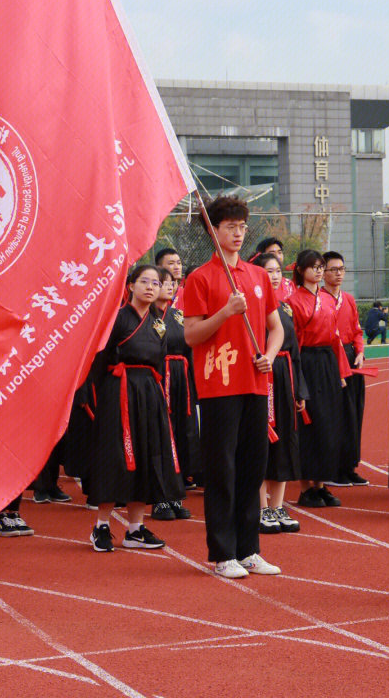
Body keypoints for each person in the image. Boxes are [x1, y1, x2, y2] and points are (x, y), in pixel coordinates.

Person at [183, 196, 283, 578]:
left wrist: (270, 357)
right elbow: (191, 335)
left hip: (255, 383)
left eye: (242, 226)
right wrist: (225, 312)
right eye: (230, 227)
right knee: (222, 469)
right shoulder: (201, 278)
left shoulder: (258, 277)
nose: (238, 233)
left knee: (252, 467)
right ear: (214, 231)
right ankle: (222, 552)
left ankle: (249, 549)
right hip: (219, 385)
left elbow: (276, 329)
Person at [84, 264, 181, 552]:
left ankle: (135, 529)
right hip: (120, 391)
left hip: (149, 393)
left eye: (156, 282)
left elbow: (160, 363)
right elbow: (98, 362)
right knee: (114, 457)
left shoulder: (158, 323)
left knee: (146, 454)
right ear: (130, 286)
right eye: (144, 281)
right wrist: (100, 398)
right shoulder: (117, 318)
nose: (151, 287)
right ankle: (101, 525)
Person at [288, 249, 351, 508]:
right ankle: (306, 488)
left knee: (328, 423)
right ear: (301, 270)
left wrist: (342, 372)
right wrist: (296, 377)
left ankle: (321, 485)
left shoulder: (326, 300)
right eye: (313, 266)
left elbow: (336, 337)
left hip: (327, 362)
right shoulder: (294, 301)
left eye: (320, 266)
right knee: (309, 423)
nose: (317, 270)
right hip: (307, 362)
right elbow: (294, 342)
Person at [252, 253, 305, 534]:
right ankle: (261, 507)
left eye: (276, 271)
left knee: (285, 440)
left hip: (285, 377)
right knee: (262, 441)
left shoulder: (285, 309)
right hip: (260, 377)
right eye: (267, 271)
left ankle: (278, 505)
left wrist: (300, 390)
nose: (273, 276)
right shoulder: (248, 308)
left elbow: (295, 351)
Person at [151, 266, 196, 518]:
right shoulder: (146, 315)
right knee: (160, 436)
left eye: (172, 283)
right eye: (163, 282)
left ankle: (175, 494)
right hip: (159, 378)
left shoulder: (179, 315)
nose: (169, 286)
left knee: (181, 433)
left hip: (181, 378)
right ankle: (159, 497)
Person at [321, 251, 368, 488]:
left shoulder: (348, 299)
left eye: (342, 269)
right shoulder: (319, 299)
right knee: (335, 415)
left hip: (351, 359)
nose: (338, 274)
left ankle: (349, 466)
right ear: (322, 272)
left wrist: (359, 351)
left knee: (353, 414)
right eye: (333, 269)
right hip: (330, 360)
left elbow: (357, 330)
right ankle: (333, 467)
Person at [253, 237, 295, 301]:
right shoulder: (255, 287)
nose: (277, 256)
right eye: (272, 253)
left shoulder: (289, 285)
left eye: (279, 252)